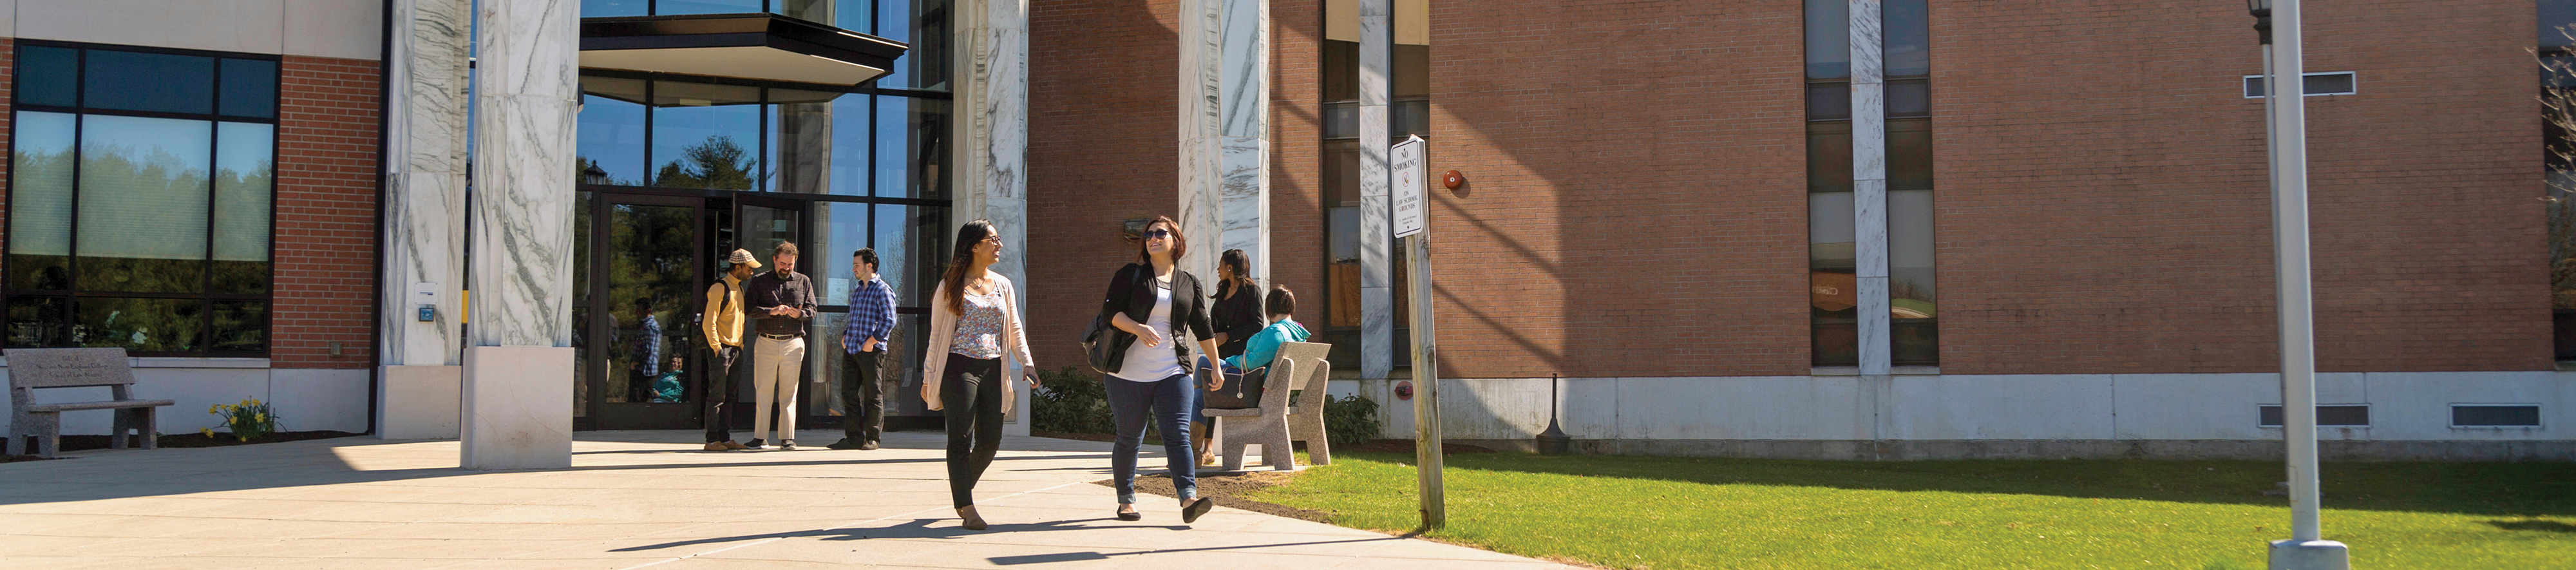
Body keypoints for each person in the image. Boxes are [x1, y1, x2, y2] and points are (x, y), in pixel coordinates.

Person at [1094, 216, 1220, 524]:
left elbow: (1202, 326)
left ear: (1175, 240)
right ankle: (1126, 500)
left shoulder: (1188, 283)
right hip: (1127, 373)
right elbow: (1110, 312)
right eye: (1148, 234)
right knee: (1129, 437)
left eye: (1160, 233)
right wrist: (1137, 328)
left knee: (1177, 434)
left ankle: (1189, 498)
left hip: (1172, 371)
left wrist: (1216, 365)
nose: (1152, 238)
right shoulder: (1131, 275)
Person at [921, 220, 1041, 531]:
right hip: (958, 367)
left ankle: (961, 488)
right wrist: (928, 376)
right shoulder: (951, 285)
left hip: (994, 368)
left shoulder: (1003, 285)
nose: (999, 244)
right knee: (960, 439)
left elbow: (1014, 328)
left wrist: (1026, 362)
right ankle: (968, 507)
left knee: (990, 442)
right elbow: (936, 336)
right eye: (993, 240)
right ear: (975, 246)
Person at [745, 241, 818, 450]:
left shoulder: (803, 281)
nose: (786, 268)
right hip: (766, 341)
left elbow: (813, 308)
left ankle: (787, 438)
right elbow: (748, 308)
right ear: (775, 260)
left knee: (789, 392)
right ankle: (760, 437)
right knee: (763, 390)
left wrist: (801, 314)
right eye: (783, 263)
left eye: (790, 264)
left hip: (793, 342)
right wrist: (771, 311)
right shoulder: (760, 281)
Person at [1196, 249, 1264, 464]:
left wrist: (1229, 336)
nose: (1217, 269)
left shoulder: (1252, 291)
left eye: (1221, 264)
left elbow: (1258, 325)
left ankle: (1197, 448)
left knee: (1203, 385)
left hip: (1239, 360)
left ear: (1230, 267)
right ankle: (1206, 449)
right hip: (1219, 354)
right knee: (1205, 390)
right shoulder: (1224, 290)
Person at [832, 248, 897, 451]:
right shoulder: (858, 290)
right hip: (851, 349)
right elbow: (854, 319)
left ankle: (873, 438)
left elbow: (890, 320)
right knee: (849, 393)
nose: (853, 269)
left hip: (871, 350)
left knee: (872, 395)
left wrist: (872, 341)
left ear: (870, 266)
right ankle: (853, 438)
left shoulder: (882, 289)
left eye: (857, 265)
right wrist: (845, 335)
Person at [700, 249, 761, 451]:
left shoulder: (740, 289)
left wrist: (740, 346)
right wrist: (717, 348)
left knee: (729, 397)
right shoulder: (719, 288)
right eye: (749, 267)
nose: (752, 271)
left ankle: (725, 439)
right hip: (722, 350)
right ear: (737, 267)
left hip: (736, 350)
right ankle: (711, 440)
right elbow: (709, 322)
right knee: (717, 396)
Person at [627, 298, 661, 403]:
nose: (636, 312)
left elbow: (649, 350)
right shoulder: (645, 326)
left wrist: (636, 363)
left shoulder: (650, 327)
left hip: (644, 372)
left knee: (638, 403)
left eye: (639, 309)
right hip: (643, 371)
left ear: (648, 310)